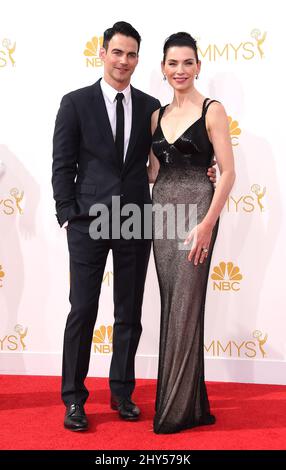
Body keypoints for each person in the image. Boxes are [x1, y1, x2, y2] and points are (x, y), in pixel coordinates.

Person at [52, 22, 216, 432]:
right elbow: (62, 164)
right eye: (117, 52)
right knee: (83, 310)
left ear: (139, 60)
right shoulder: (75, 103)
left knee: (129, 312)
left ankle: (122, 392)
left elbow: (156, 164)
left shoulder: (149, 108)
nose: (123, 61)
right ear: (102, 53)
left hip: (136, 219)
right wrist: (68, 212)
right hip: (88, 221)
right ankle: (74, 399)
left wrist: (203, 171)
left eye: (131, 54)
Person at [148, 32, 235, 434]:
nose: (180, 70)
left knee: (185, 305)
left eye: (187, 63)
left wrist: (207, 224)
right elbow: (153, 173)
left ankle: (174, 410)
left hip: (198, 212)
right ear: (163, 67)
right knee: (173, 306)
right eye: (172, 63)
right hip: (161, 214)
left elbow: (228, 173)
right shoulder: (157, 115)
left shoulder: (212, 111)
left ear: (198, 65)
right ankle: (193, 405)